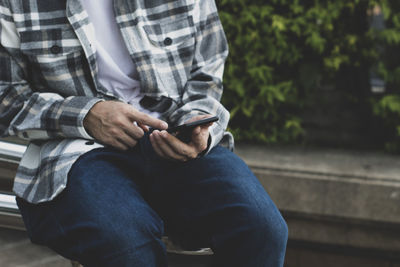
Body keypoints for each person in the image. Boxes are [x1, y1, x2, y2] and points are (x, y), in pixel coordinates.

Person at [0, 0, 288, 266]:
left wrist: (197, 128)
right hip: (77, 150)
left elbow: (207, 72)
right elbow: (6, 96)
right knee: (125, 246)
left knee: (262, 228)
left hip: (171, 136)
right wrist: (87, 115)